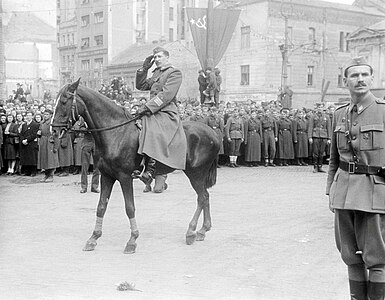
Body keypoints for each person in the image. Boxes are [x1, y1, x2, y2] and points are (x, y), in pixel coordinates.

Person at [326, 57, 385, 300]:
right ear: (345, 81)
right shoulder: (339, 114)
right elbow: (332, 159)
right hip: (344, 192)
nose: (360, 79)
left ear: (372, 79)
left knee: (377, 257)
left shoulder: (382, 110)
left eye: (364, 75)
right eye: (354, 75)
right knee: (349, 255)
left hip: (374, 192)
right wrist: (331, 191)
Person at [133, 46, 187, 185]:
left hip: (166, 110)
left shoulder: (174, 73)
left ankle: (151, 169)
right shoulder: (156, 73)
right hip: (153, 110)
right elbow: (141, 86)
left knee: (153, 130)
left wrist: (147, 107)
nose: (156, 59)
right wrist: (144, 69)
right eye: (155, 57)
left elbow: (166, 95)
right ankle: (137, 166)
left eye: (159, 57)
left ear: (167, 57)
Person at [37, 109, 59, 183]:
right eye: (44, 114)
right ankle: (46, 175)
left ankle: (51, 175)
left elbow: (56, 135)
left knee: (51, 160)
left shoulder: (52, 123)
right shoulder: (42, 123)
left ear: (50, 115)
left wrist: (56, 146)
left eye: (47, 114)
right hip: (43, 142)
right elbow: (40, 132)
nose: (45, 116)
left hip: (50, 142)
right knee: (44, 159)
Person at [308, 104, 331, 173]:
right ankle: (315, 166)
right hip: (315, 135)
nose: (320, 109)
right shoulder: (313, 116)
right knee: (315, 152)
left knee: (322, 152)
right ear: (316, 108)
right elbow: (310, 127)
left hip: (324, 135)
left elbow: (329, 127)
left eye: (321, 107)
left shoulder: (326, 117)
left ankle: (320, 166)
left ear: (323, 108)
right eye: (318, 107)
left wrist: (329, 138)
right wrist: (310, 137)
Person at [79, 120, 100, 194]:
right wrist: (87, 129)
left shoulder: (97, 116)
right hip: (86, 142)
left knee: (97, 166)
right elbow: (80, 128)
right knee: (84, 166)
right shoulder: (84, 118)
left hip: (97, 142)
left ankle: (95, 186)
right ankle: (84, 187)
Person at [19, 111, 39, 176]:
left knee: (32, 158)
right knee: (26, 158)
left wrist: (27, 140)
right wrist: (23, 140)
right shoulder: (24, 125)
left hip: (31, 143)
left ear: (32, 116)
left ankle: (33, 172)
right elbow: (21, 134)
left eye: (30, 115)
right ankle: (27, 171)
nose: (28, 117)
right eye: (27, 115)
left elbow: (34, 134)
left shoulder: (35, 124)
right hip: (25, 143)